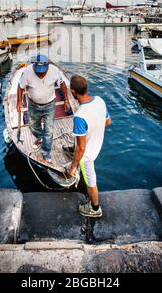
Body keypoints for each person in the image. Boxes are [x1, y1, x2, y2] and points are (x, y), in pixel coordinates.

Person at [68, 75, 111, 218]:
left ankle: (94, 208)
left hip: (86, 157)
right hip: (97, 147)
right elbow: (107, 121)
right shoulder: (100, 101)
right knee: (89, 178)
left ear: (73, 92)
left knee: (91, 182)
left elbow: (81, 149)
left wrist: (73, 166)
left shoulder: (80, 116)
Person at [17, 54, 70, 162]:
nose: (40, 74)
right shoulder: (27, 72)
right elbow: (20, 87)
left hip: (49, 105)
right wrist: (18, 101)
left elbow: (62, 84)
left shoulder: (54, 71)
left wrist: (66, 99)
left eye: (43, 71)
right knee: (32, 127)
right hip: (33, 104)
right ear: (34, 66)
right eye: (38, 71)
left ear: (47, 66)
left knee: (49, 131)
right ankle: (40, 137)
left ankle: (46, 152)